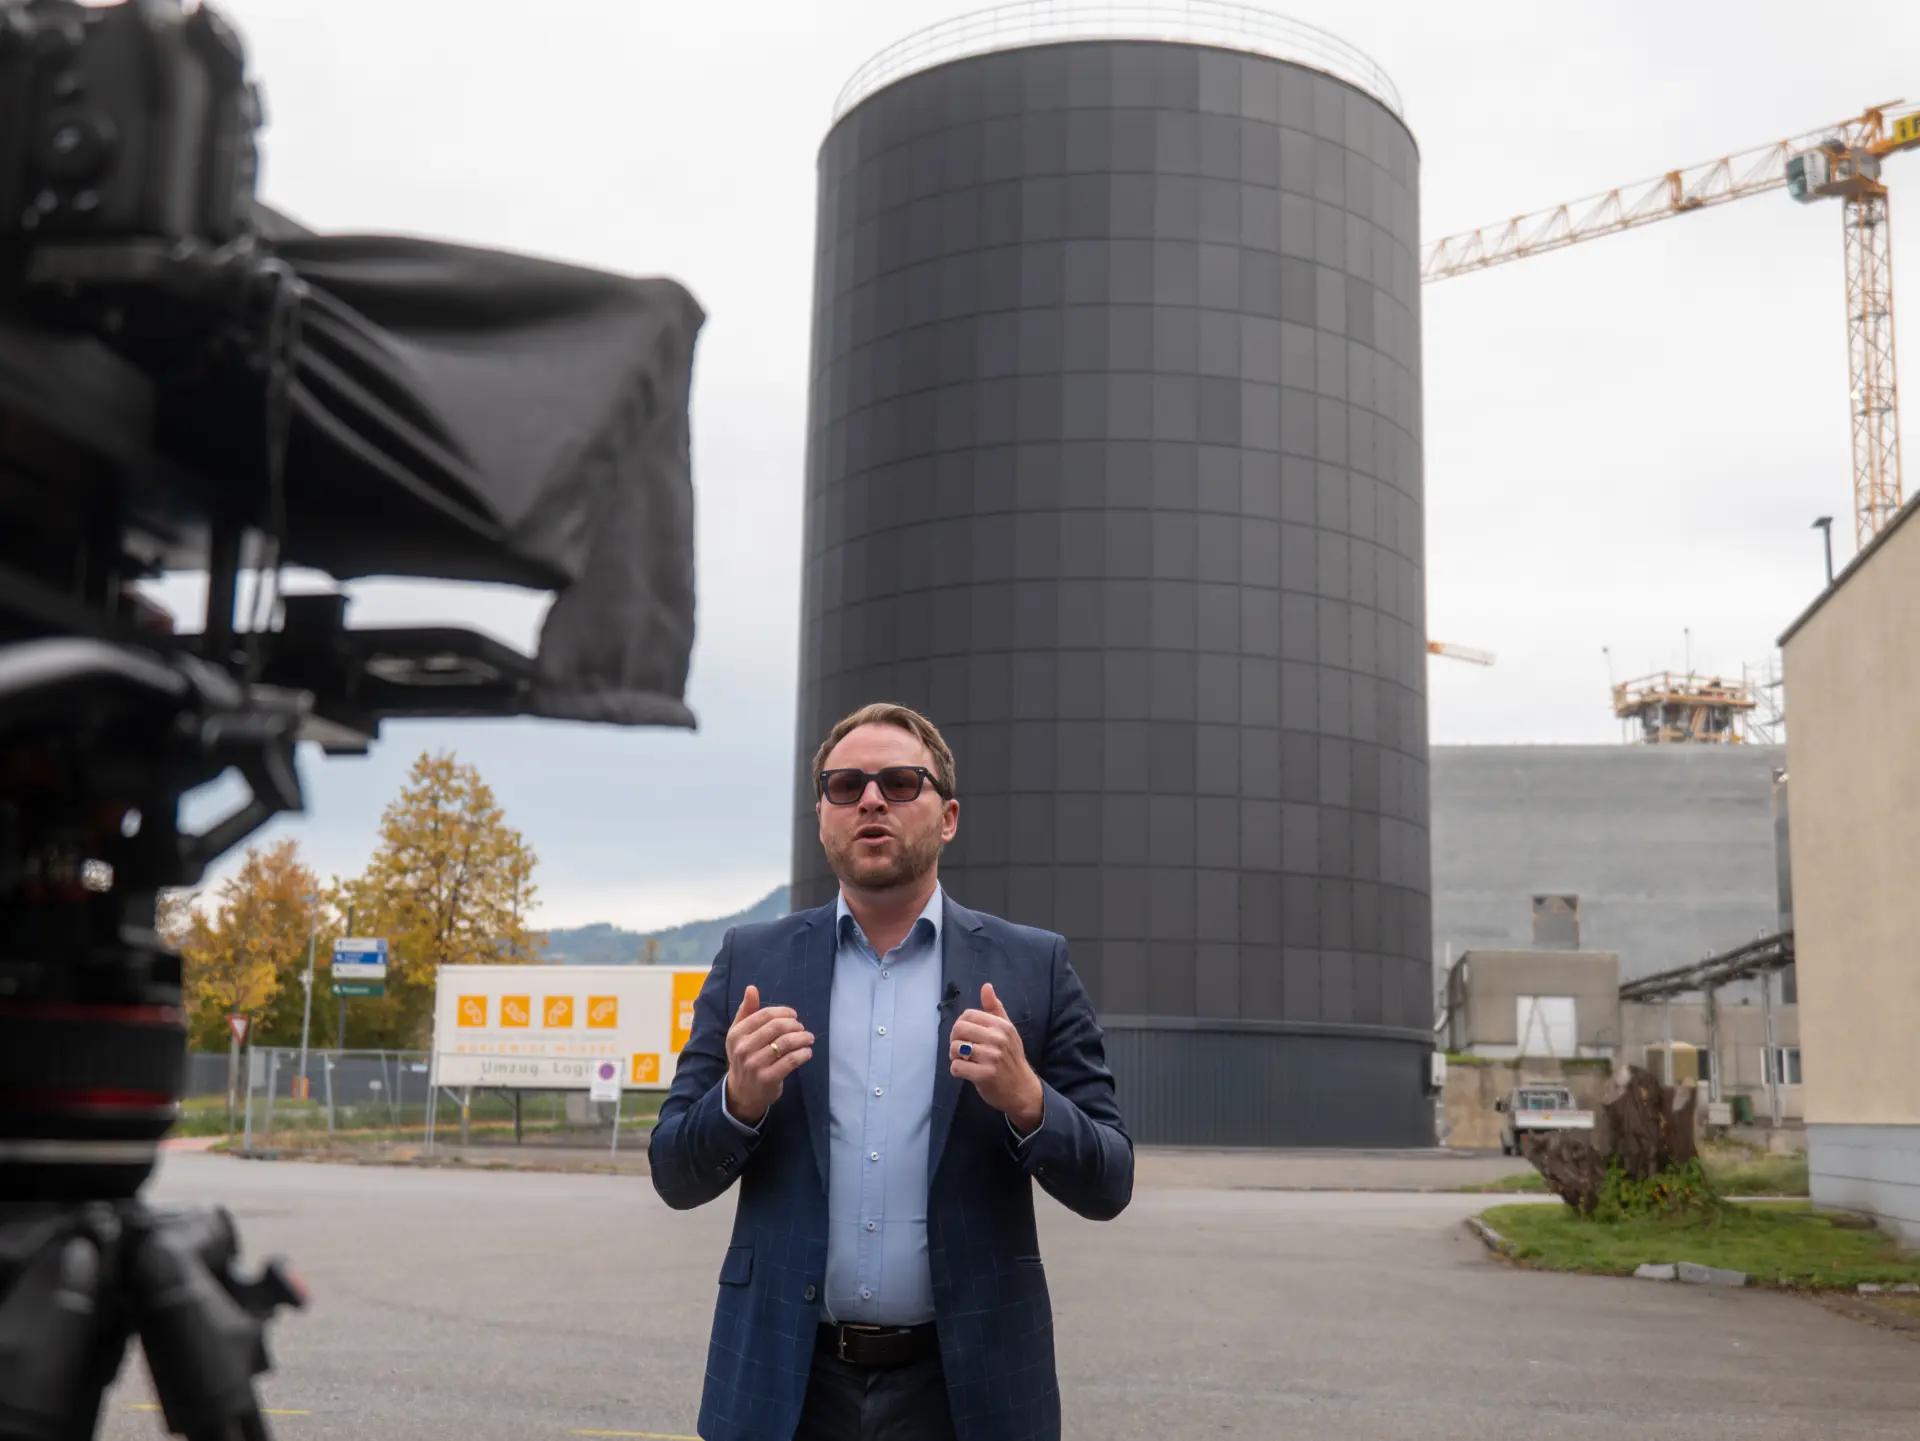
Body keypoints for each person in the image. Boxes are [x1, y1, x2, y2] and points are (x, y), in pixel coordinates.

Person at [649, 702, 1132, 1441]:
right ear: (822, 817)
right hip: (785, 1386)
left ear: (948, 816)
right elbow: (674, 1173)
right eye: (845, 786)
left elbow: (1109, 1181)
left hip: (965, 1390)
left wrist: (1029, 1100)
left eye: (901, 782)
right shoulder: (753, 961)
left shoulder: (1032, 966)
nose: (870, 800)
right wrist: (737, 1102)